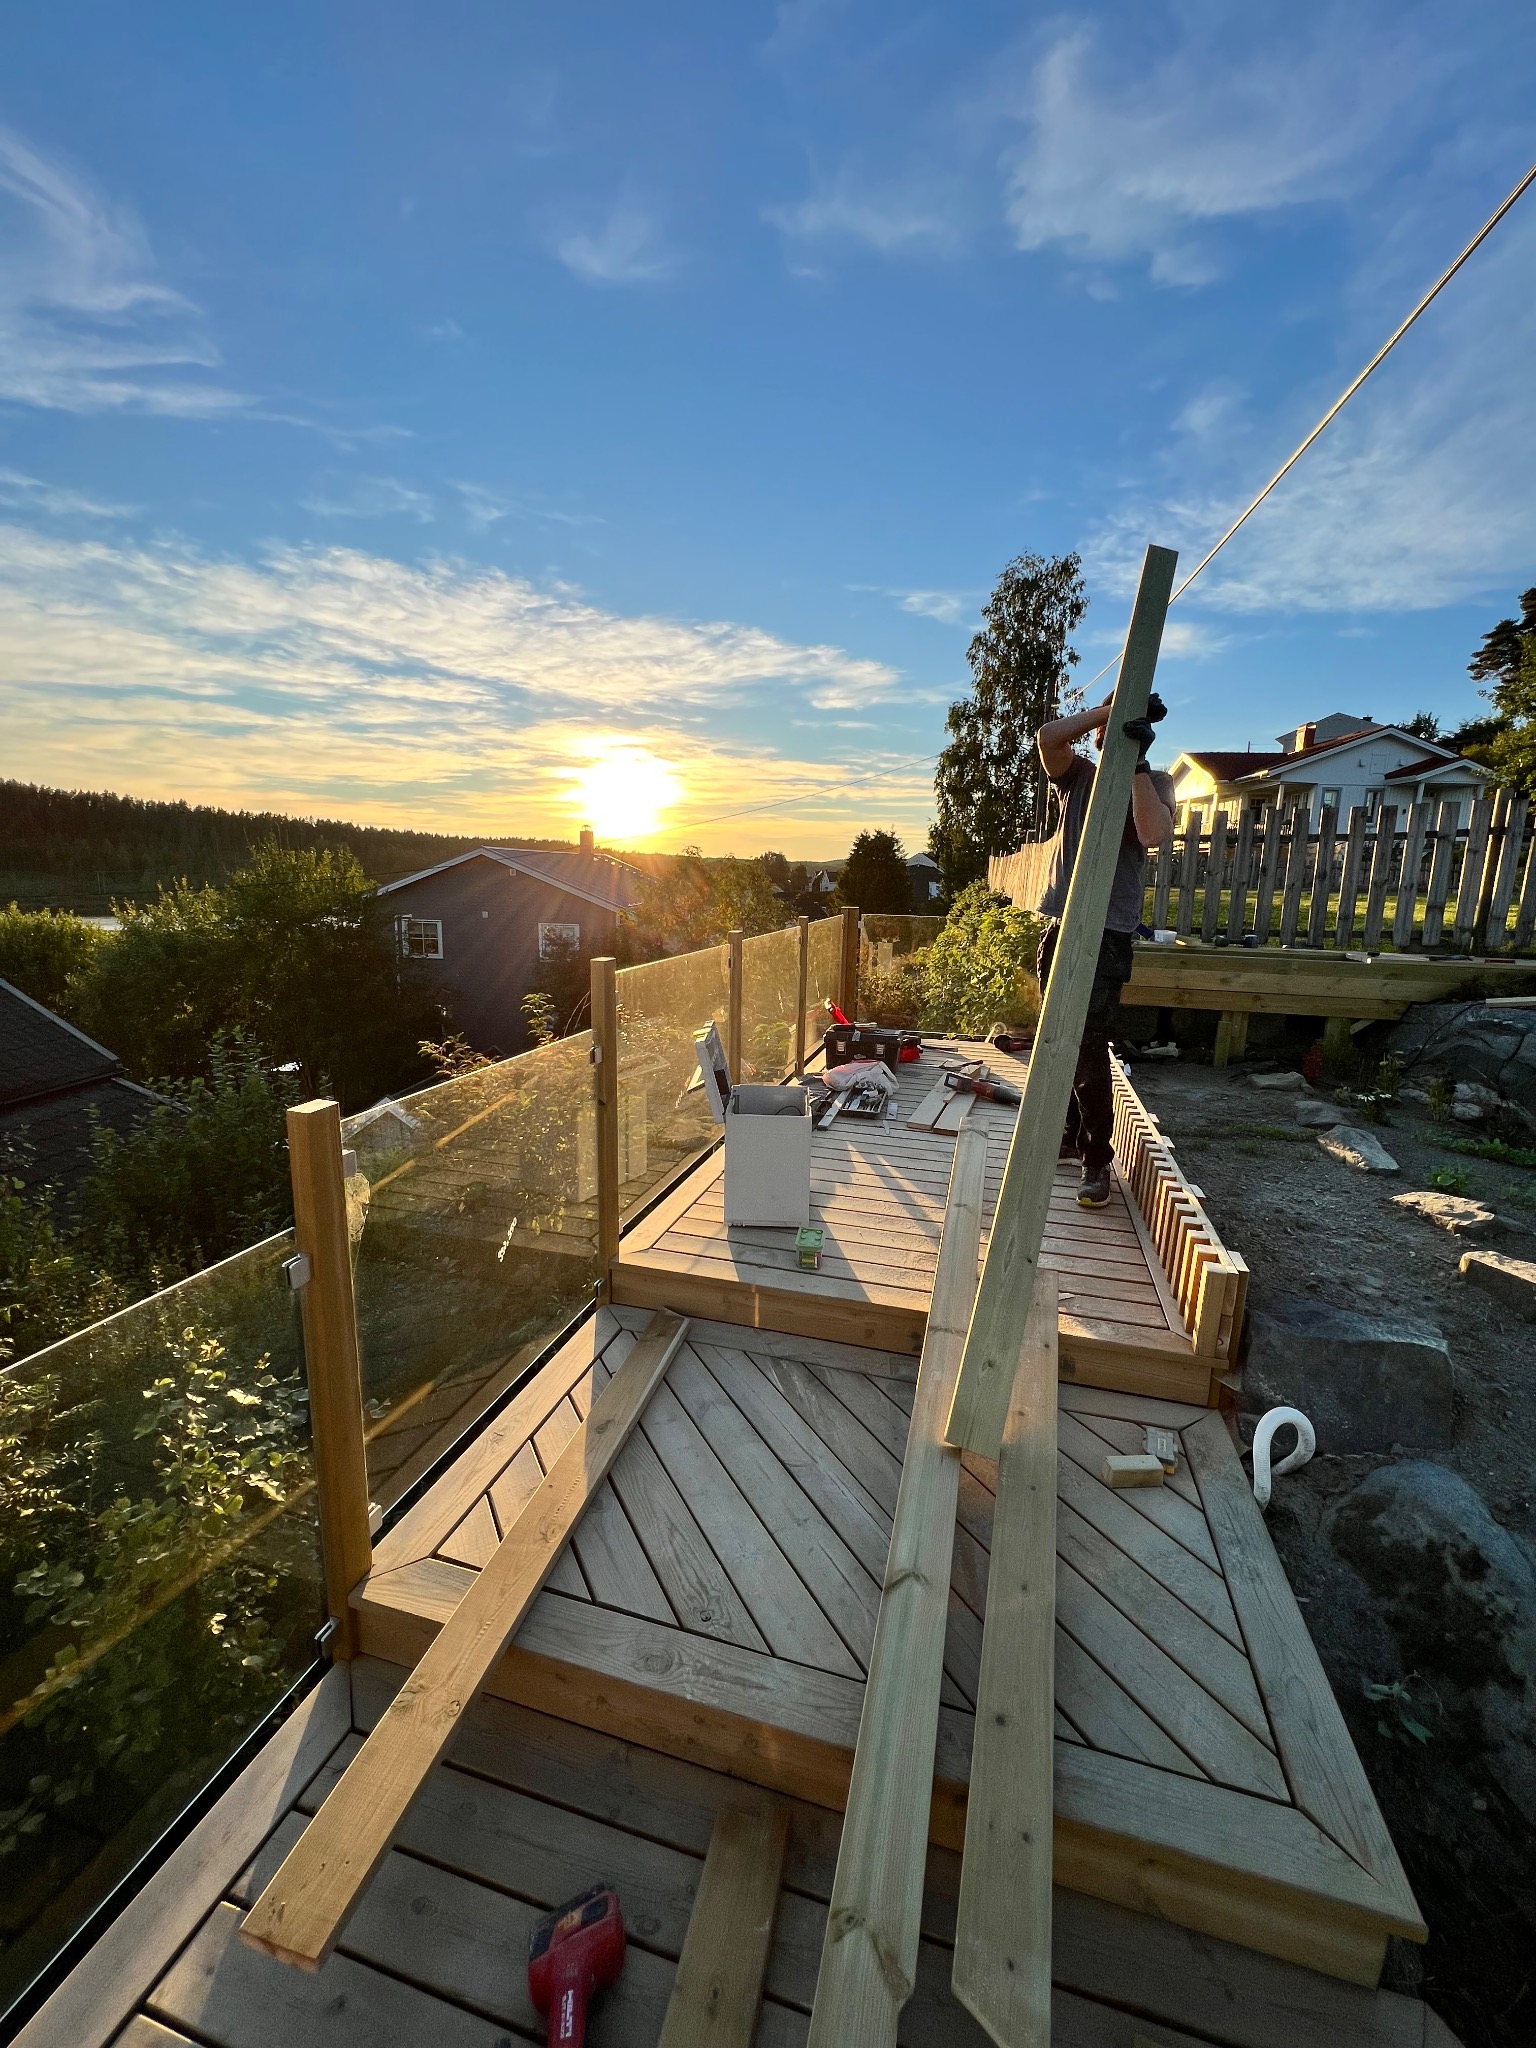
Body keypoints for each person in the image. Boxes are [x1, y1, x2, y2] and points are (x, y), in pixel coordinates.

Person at [1035, 692, 1175, 1208]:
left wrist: (1136, 762)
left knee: (1089, 1046)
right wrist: (1109, 711)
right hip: (1063, 923)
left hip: (1109, 932)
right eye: (1108, 729)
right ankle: (1071, 1136)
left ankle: (1098, 1162)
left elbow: (1153, 832)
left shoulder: (1157, 783)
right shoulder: (1077, 778)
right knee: (1056, 1039)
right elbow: (1049, 736)